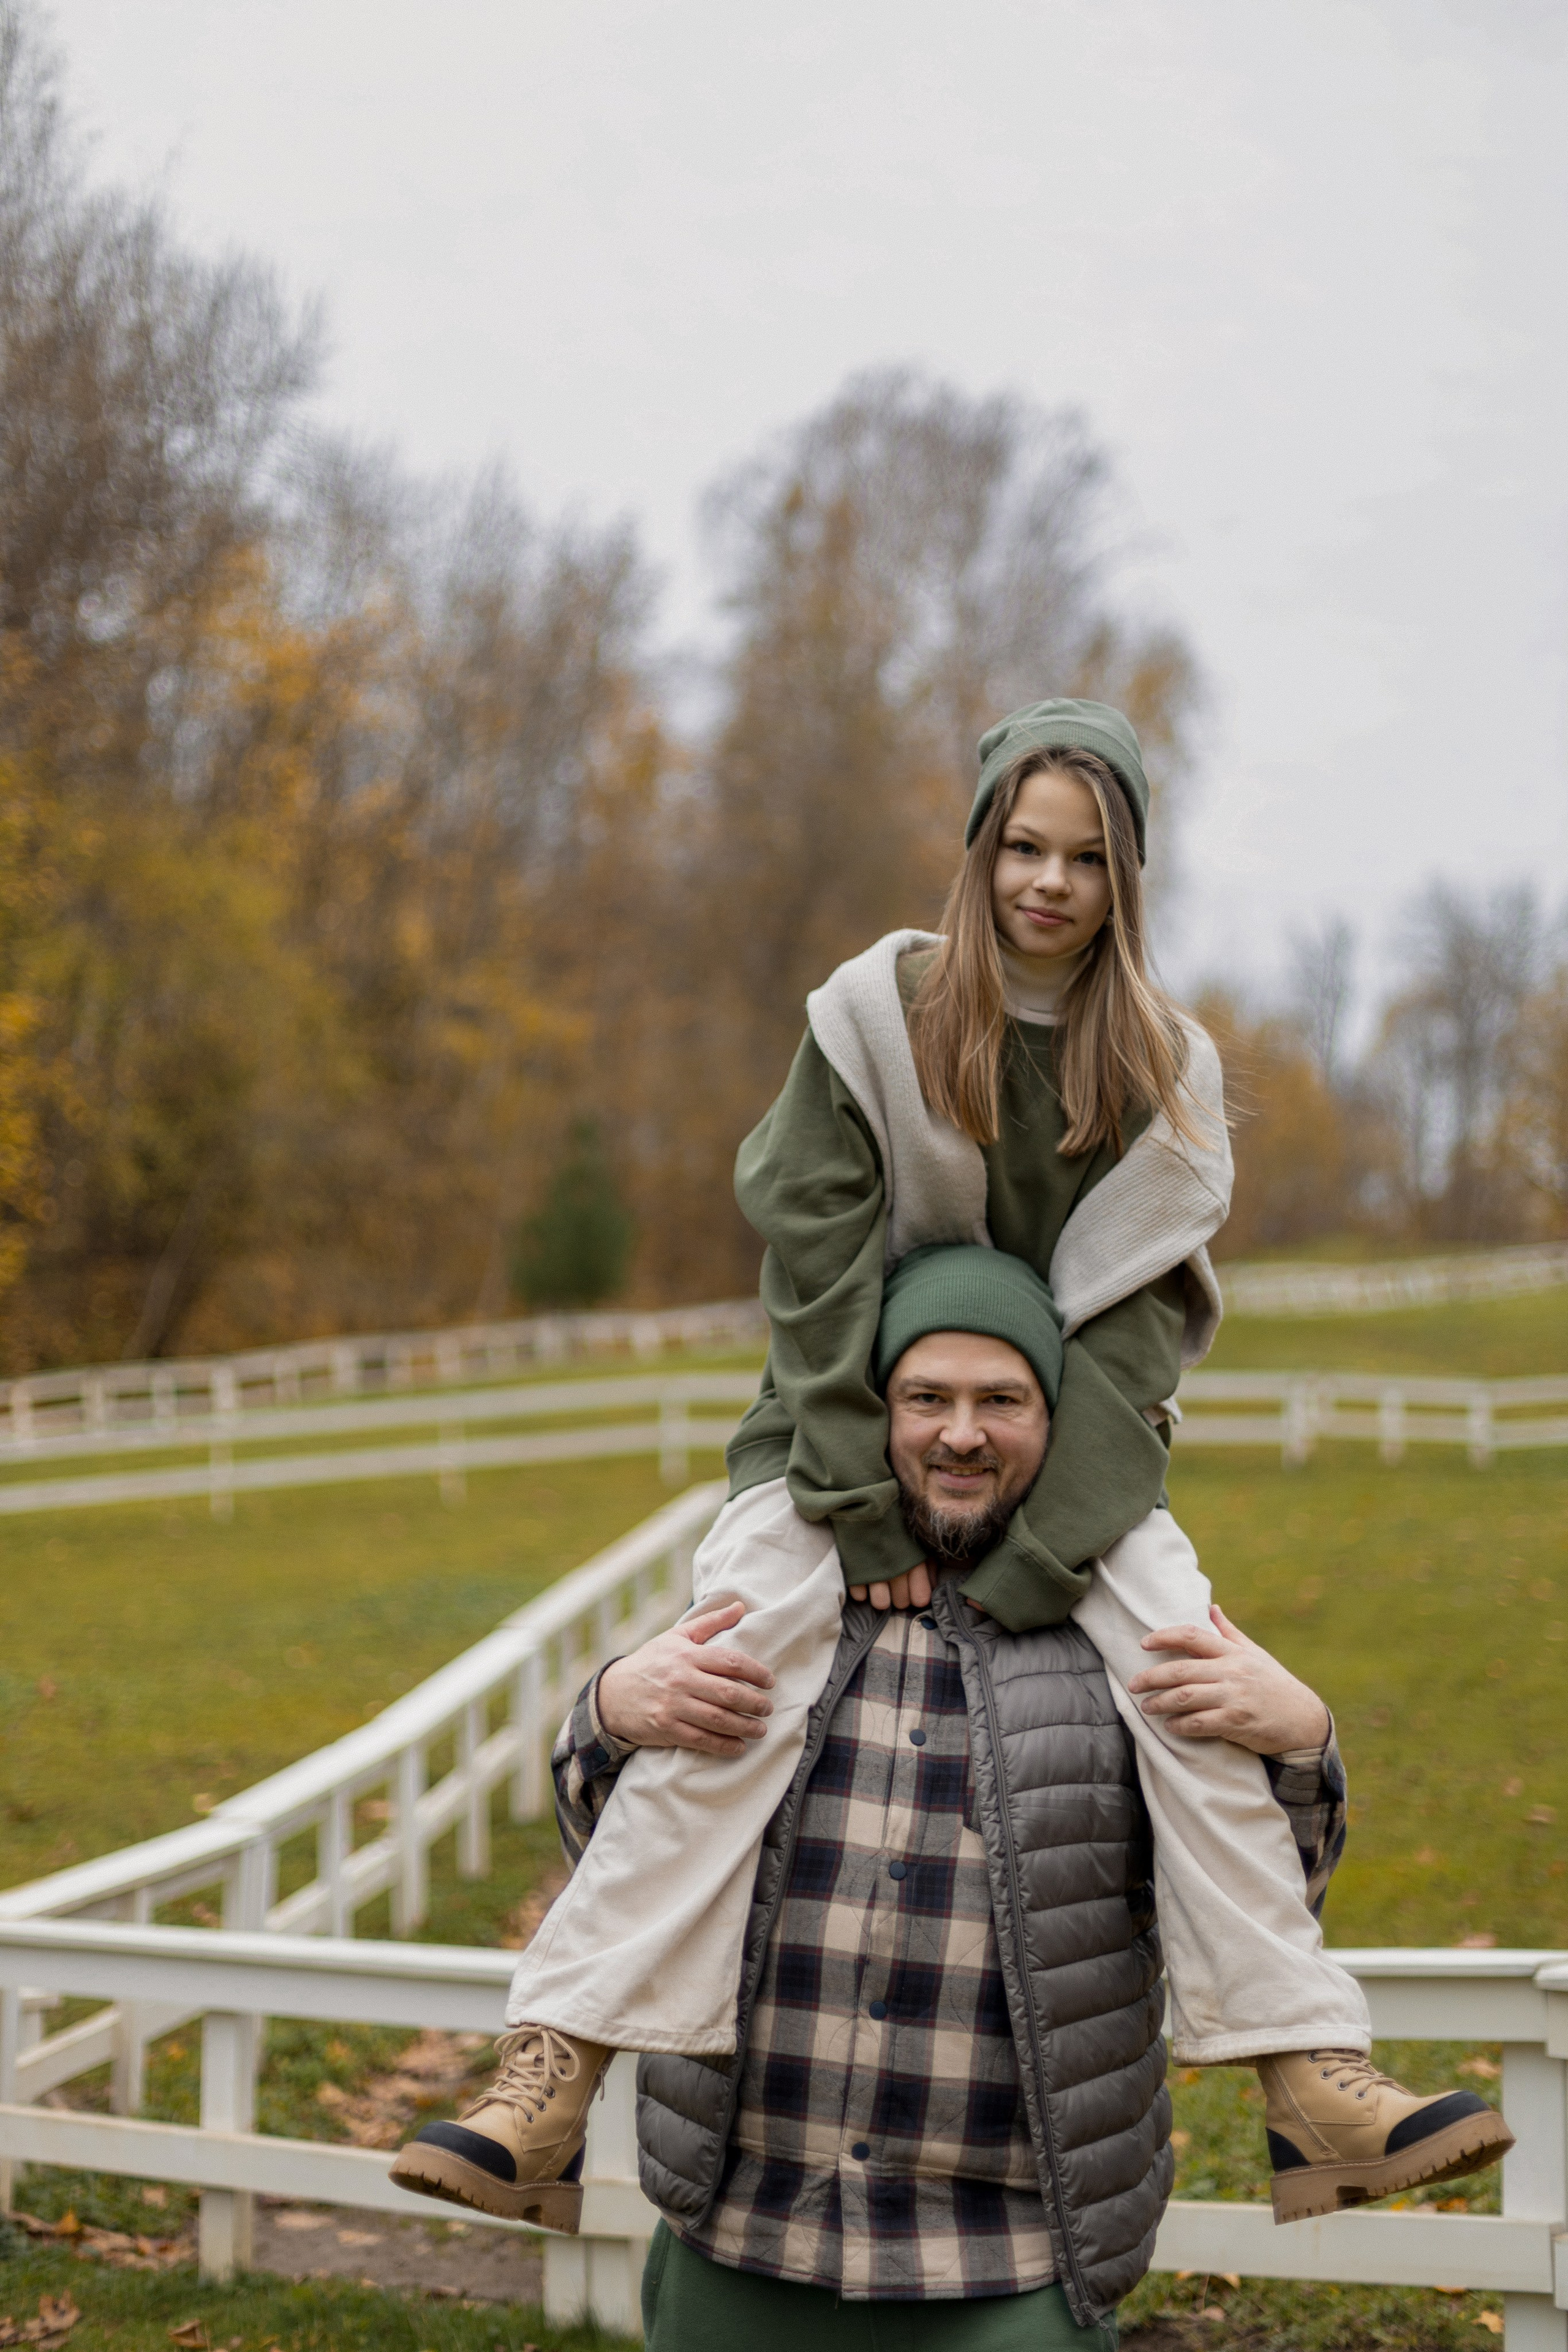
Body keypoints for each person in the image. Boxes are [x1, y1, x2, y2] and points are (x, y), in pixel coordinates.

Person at [391, 700, 1510, 2232]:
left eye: (1087, 858)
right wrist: (852, 1507)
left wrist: (1056, 1550)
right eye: (1023, 847)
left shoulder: (1160, 1071)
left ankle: (1309, 2073)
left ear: (1127, 881)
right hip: (844, 1423)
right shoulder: (878, 1014)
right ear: (981, 851)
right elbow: (815, 1273)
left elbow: (1126, 1345)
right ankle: (556, 2061)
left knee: (1186, 1676)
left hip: (1078, 1456)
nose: (1048, 884)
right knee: (736, 1670)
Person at [400, 1259, 1501, 2346]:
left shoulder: (1130, 1648)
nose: (960, 1434)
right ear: (872, 1414)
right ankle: (543, 2091)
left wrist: (1303, 1734)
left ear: (1056, 1422)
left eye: (1001, 1401)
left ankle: (1315, 2089)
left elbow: (1266, 1886)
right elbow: (620, 1859)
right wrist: (608, 1709)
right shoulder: (772, 1618)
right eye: (927, 1398)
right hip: (746, 2228)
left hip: (1014, 2256)